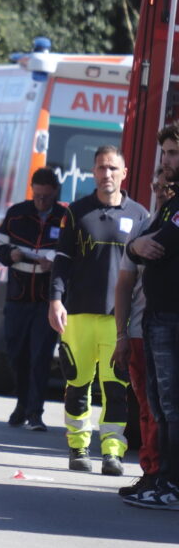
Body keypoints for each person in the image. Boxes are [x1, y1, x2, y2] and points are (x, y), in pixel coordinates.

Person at [49, 145, 148, 475]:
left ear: (124, 173)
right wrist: (55, 300)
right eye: (101, 169)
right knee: (77, 384)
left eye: (112, 169)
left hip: (118, 319)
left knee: (115, 388)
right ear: (93, 173)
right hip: (77, 315)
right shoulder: (76, 212)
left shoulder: (140, 216)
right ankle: (78, 447)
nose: (106, 174)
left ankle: (112, 452)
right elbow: (61, 261)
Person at [121, 123, 179, 509]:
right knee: (159, 405)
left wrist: (139, 246)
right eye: (165, 154)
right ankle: (159, 477)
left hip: (173, 318)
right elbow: (139, 245)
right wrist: (135, 245)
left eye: (174, 153)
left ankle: (172, 484)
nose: (167, 161)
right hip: (156, 317)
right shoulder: (171, 204)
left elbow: (157, 245)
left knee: (173, 405)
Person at [112, 168, 172, 499]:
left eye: (168, 188)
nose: (162, 192)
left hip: (166, 327)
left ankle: (163, 474)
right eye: (157, 187)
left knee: (164, 408)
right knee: (149, 408)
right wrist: (120, 335)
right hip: (139, 331)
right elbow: (123, 285)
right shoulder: (141, 231)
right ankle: (151, 472)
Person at [0, 167, 66, 431]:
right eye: (37, 196)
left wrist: (54, 264)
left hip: (47, 300)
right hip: (18, 297)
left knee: (40, 357)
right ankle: (22, 403)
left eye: (47, 197)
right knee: (16, 354)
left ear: (55, 193)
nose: (42, 202)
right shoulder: (17, 214)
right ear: (32, 191)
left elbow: (72, 254)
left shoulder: (65, 217)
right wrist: (9, 253)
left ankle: (35, 412)